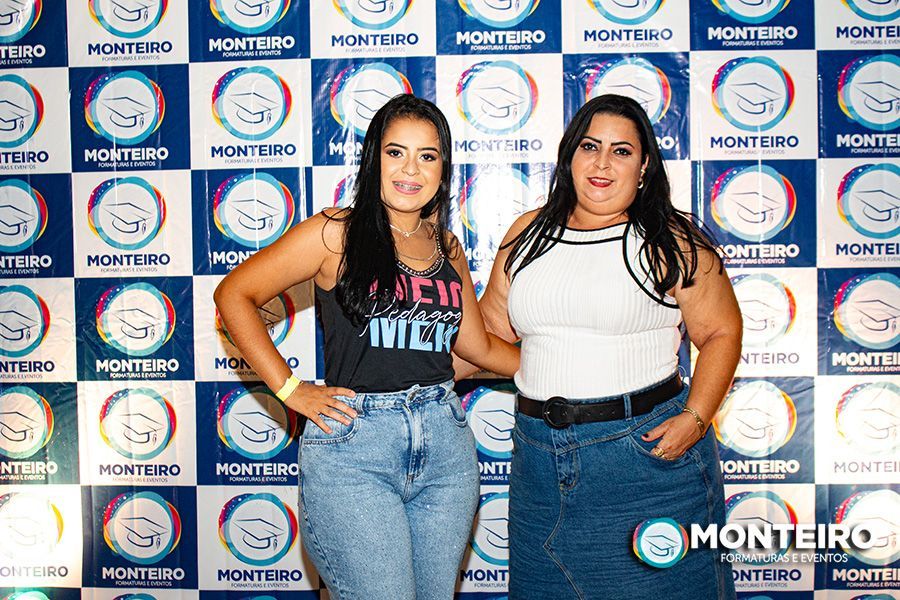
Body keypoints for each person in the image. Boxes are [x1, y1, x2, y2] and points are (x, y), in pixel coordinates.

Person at [214, 94, 519, 600]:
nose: (411, 169)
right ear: (374, 158)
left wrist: (552, 368)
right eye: (396, 152)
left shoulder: (446, 247)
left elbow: (477, 346)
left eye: (427, 155)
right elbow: (234, 295)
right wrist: (291, 390)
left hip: (445, 447)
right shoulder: (335, 233)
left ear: (443, 169)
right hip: (356, 450)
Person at [469, 94, 742, 599]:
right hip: (538, 461)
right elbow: (486, 332)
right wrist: (387, 374)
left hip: (643, 458)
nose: (601, 163)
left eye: (621, 151)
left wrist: (697, 416)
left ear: (644, 166)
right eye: (590, 146)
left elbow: (721, 332)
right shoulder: (527, 234)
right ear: (569, 155)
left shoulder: (670, 240)